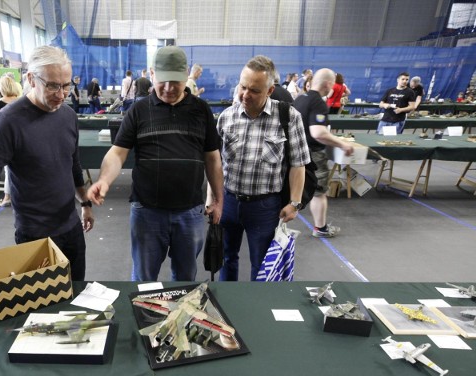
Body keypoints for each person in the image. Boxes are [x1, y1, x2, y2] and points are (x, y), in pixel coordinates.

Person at [0, 46, 94, 281]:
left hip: (71, 228)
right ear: (31, 79)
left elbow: (72, 164)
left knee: (77, 293)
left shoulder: (67, 115)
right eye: (53, 85)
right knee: (44, 307)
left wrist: (85, 203)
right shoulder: (8, 122)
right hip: (36, 236)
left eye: (66, 85)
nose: (61, 94)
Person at [87, 46, 223, 282]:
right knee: (144, 279)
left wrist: (218, 200)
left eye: (176, 82)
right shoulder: (138, 110)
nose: (169, 88)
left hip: (189, 213)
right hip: (147, 213)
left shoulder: (201, 111)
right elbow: (117, 153)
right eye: (163, 81)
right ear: (152, 74)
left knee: (185, 279)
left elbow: (212, 158)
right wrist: (104, 180)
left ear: (187, 75)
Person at [216, 55, 310, 281]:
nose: (245, 95)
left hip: (265, 207)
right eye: (242, 86)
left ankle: (257, 308)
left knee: (262, 265)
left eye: (254, 90)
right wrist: (213, 199)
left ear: (269, 91)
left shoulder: (289, 117)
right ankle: (227, 303)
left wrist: (294, 203)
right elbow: (215, 163)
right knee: (226, 258)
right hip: (228, 202)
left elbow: (298, 164)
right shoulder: (226, 117)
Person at [293, 68, 355, 238]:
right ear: (328, 84)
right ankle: (320, 228)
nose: (333, 89)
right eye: (333, 85)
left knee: (291, 191)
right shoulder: (318, 102)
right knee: (319, 192)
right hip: (312, 154)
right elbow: (318, 133)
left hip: (295, 151)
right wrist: (342, 144)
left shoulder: (300, 98)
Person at [0, 75, 23, 208]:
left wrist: (1, 125)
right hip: (23, 137)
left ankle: (7, 197)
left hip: (6, 140)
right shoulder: (21, 101)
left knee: (9, 169)